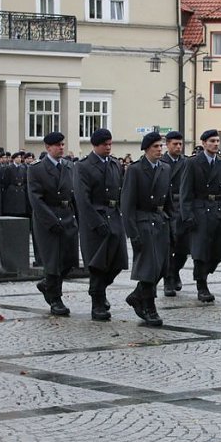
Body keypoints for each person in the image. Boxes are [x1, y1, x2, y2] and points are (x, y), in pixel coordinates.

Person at [73, 128, 128, 321]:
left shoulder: (114, 164)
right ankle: (97, 301)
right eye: (105, 144)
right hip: (95, 219)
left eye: (110, 144)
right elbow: (82, 199)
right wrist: (95, 222)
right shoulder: (84, 166)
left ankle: (99, 290)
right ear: (95, 145)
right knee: (98, 264)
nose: (108, 147)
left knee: (117, 261)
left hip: (114, 215)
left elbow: (120, 191)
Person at [122, 131, 173, 325]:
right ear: (146, 149)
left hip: (160, 220)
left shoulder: (165, 168)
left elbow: (168, 198)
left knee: (162, 267)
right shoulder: (135, 170)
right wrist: (132, 232)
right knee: (150, 268)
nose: (159, 150)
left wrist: (172, 221)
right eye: (155, 147)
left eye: (161, 146)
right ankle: (150, 307)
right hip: (143, 220)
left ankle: (137, 295)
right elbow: (127, 203)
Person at [28, 131, 79, 316]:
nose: (61, 148)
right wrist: (51, 221)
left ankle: (47, 284)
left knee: (69, 259)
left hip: (67, 215)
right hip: (47, 218)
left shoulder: (68, 165)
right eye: (57, 145)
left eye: (62, 145)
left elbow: (73, 194)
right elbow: (36, 199)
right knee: (53, 261)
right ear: (48, 148)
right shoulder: (37, 168)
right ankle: (55, 298)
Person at [180, 129, 221, 302]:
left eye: (217, 141)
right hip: (199, 210)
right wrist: (187, 215)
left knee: (220, 251)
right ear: (203, 143)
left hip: (216, 210)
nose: (216, 144)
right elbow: (185, 191)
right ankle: (201, 285)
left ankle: (204, 274)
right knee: (200, 252)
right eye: (212, 141)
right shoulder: (193, 163)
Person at [162, 131, 189, 296]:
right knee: (167, 246)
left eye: (180, 144)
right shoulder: (161, 161)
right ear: (168, 144)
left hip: (182, 206)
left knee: (183, 247)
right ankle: (168, 279)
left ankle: (175, 271)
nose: (178, 147)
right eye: (175, 144)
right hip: (165, 207)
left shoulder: (186, 162)